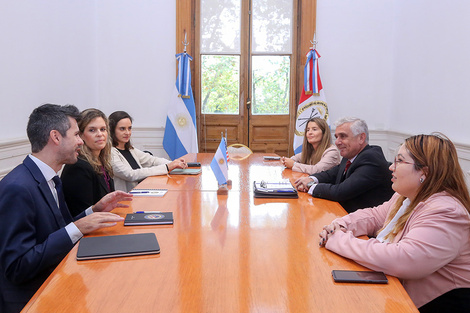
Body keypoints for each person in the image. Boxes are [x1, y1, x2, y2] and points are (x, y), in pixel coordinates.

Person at [0, 104, 132, 313]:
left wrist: (93, 210)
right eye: (77, 134)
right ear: (55, 137)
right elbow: (17, 267)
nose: (81, 141)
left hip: (58, 279)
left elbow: (60, 228)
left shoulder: (51, 177)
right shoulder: (18, 188)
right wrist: (78, 227)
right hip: (35, 298)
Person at [319, 134, 470, 312]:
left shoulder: (446, 211)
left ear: (425, 172)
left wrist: (339, 240)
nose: (391, 167)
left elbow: (403, 259)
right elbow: (374, 216)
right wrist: (342, 224)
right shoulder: (406, 195)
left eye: (399, 161)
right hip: (399, 293)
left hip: (437, 304)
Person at [295, 117, 393, 213]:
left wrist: (310, 186)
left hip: (366, 223)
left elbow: (340, 192)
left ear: (361, 138)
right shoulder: (351, 154)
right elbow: (331, 174)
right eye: (336, 137)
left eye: (343, 136)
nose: (337, 142)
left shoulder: (371, 159)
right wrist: (312, 179)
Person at [108, 111, 187, 192]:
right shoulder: (110, 153)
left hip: (142, 191)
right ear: (112, 130)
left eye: (129, 128)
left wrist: (174, 163)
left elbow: (152, 160)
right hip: (126, 199)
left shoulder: (130, 149)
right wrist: (167, 167)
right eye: (122, 129)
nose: (127, 132)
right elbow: (130, 175)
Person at [61, 109, 115, 216]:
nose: (100, 134)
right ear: (80, 135)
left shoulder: (102, 161)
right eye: (92, 130)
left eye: (103, 129)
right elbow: (83, 214)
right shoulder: (79, 166)